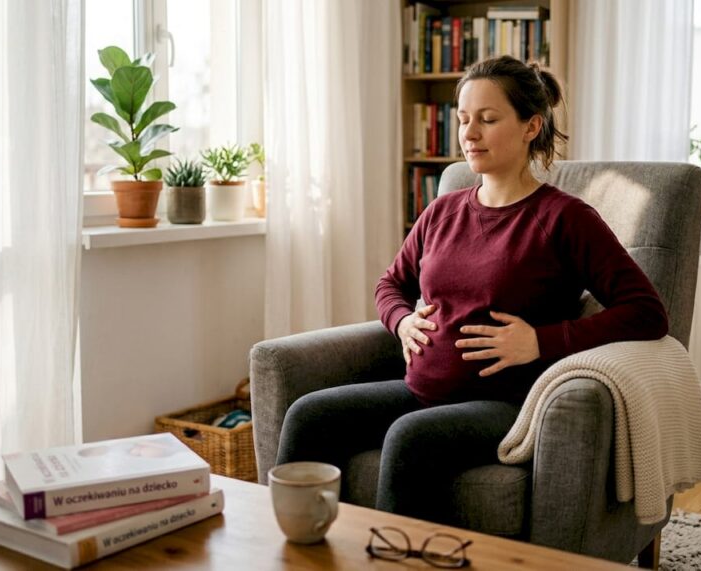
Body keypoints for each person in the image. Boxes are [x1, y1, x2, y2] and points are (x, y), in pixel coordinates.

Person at [275, 56, 668, 524]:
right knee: (308, 414)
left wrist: (540, 341)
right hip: (420, 390)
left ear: (531, 126)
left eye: (488, 119)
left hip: (507, 404)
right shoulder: (442, 211)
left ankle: (399, 556)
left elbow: (647, 311)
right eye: (463, 119)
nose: (469, 134)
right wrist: (401, 321)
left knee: (410, 437)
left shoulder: (565, 219)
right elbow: (390, 284)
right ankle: (297, 548)